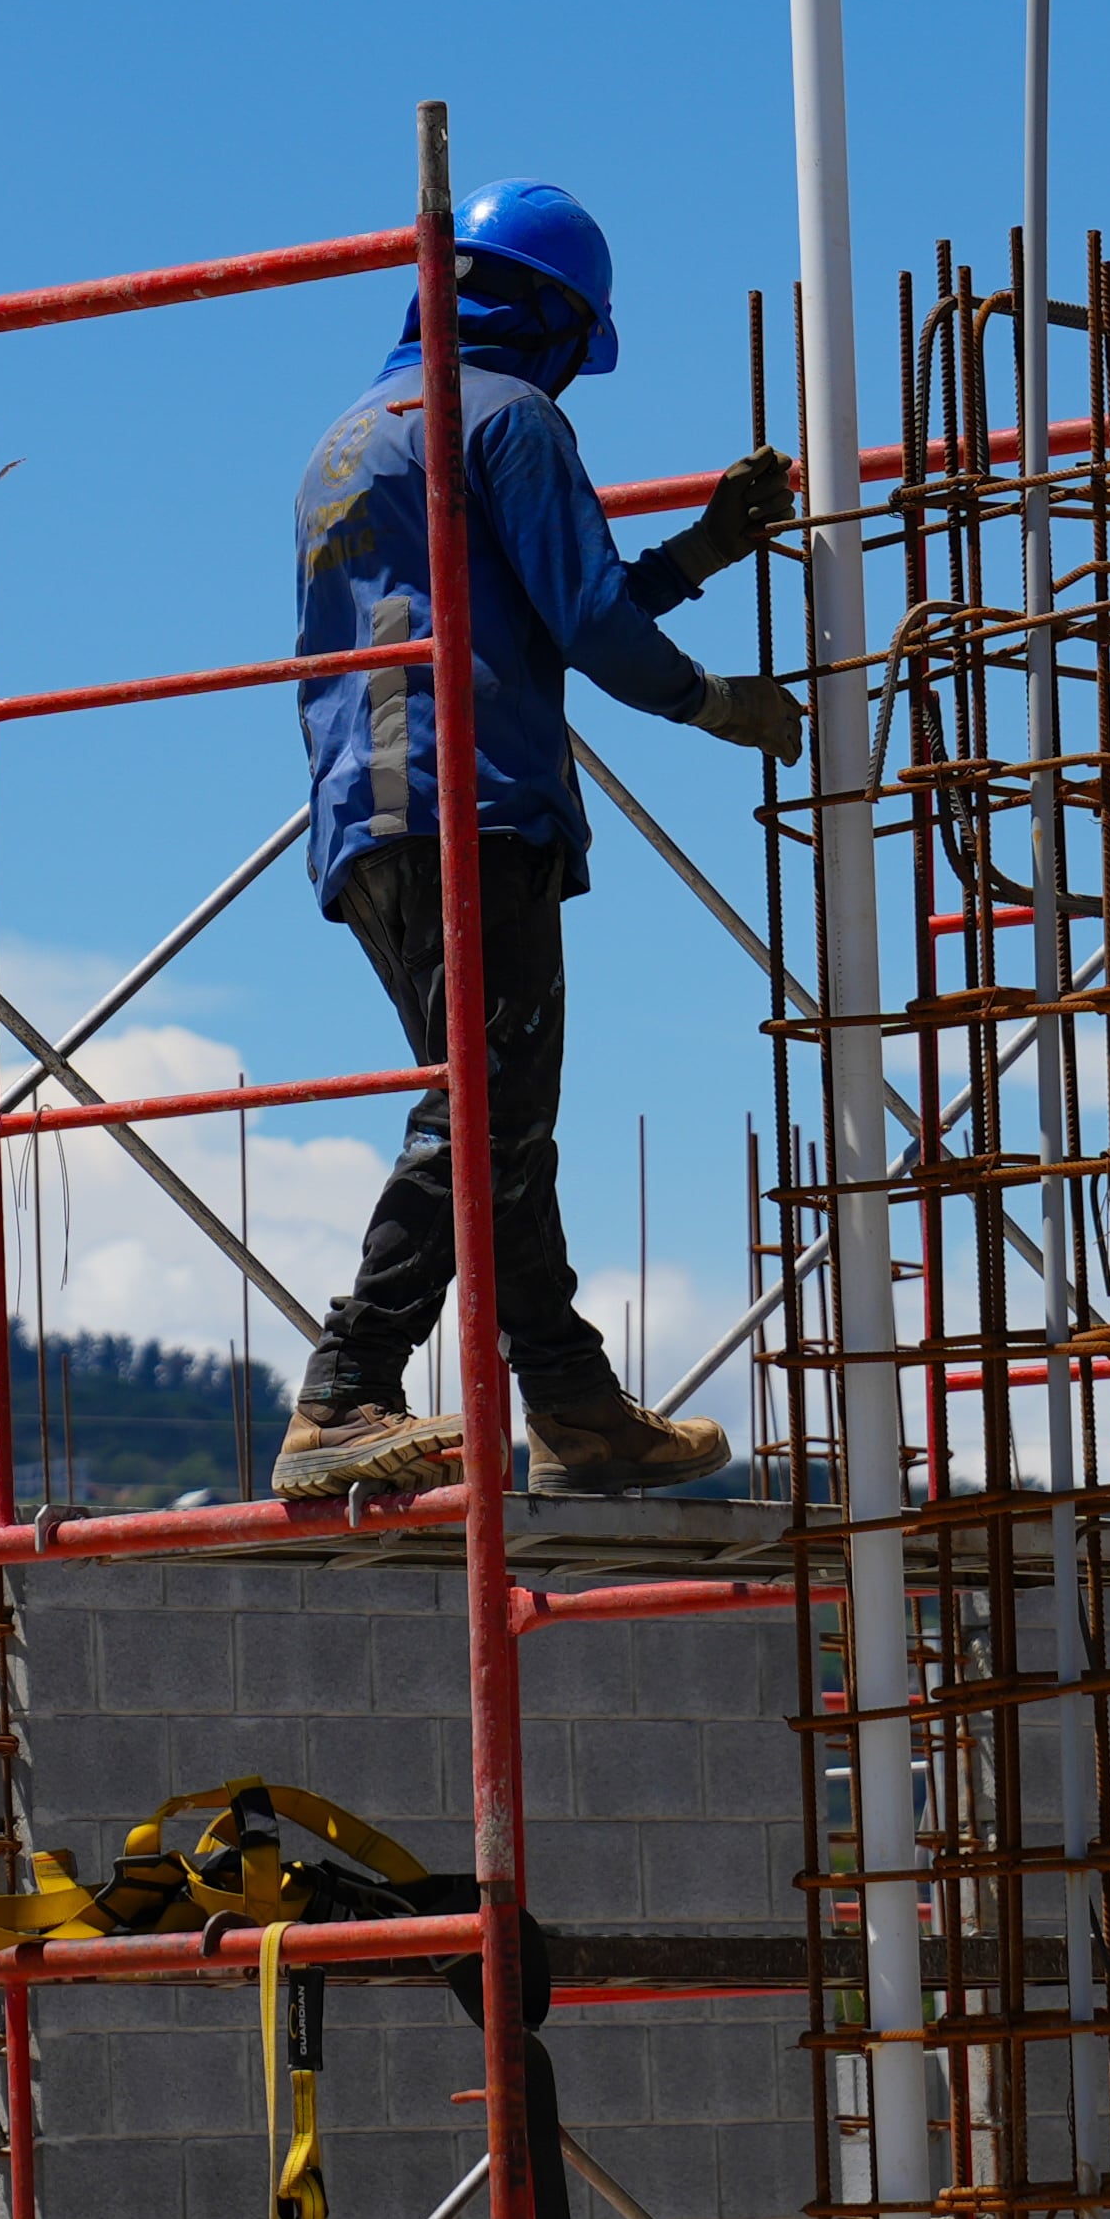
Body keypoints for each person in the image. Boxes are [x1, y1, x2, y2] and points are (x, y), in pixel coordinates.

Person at [270, 178, 809, 1502]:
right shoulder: (514, 418)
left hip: (371, 814)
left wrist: (700, 551)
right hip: (478, 804)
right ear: (558, 321)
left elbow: (533, 603)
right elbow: (588, 623)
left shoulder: (350, 439)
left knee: (503, 1119)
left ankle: (570, 1403)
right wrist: (711, 701)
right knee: (485, 1110)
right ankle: (347, 1387)